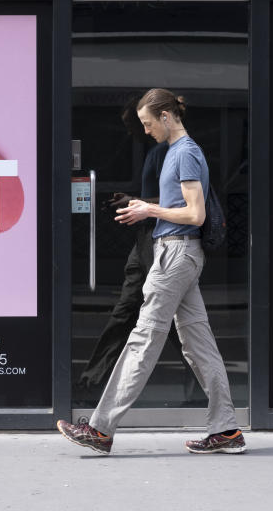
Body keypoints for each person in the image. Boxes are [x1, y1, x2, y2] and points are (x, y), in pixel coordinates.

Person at [57, 88, 245, 455]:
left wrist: (149, 211)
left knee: (143, 339)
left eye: (147, 123)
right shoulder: (178, 153)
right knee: (199, 347)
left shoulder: (186, 153)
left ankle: (100, 428)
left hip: (175, 255)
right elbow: (180, 204)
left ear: (165, 116)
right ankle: (226, 431)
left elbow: (195, 215)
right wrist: (142, 205)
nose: (145, 131)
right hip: (178, 254)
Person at [76, 96, 186, 392]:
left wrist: (135, 202)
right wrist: (131, 200)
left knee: (171, 317)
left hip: (163, 241)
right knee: (129, 311)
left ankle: (205, 384)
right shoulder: (155, 152)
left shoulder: (173, 153)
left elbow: (182, 203)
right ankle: (90, 382)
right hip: (146, 239)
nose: (133, 132)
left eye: (137, 125)